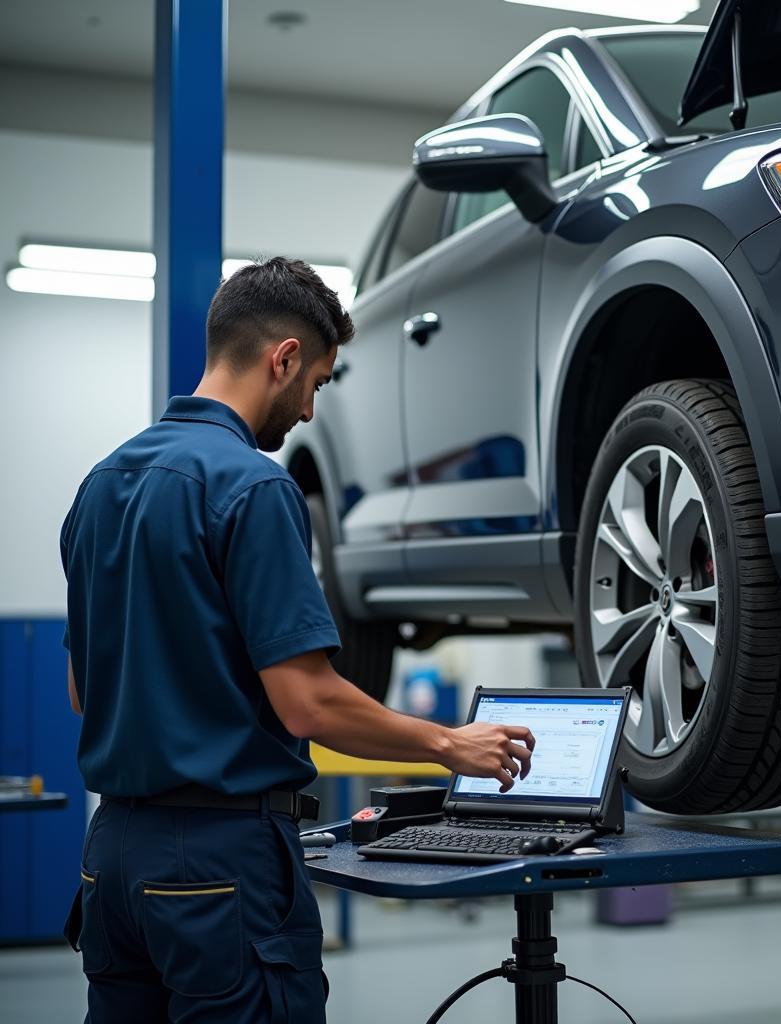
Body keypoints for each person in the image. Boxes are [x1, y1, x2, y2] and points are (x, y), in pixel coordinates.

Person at [59, 257, 535, 1023]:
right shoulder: (251, 486)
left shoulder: (101, 486)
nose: (310, 413)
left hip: (109, 859)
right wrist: (450, 745)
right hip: (218, 865)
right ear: (283, 359)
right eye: (315, 383)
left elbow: (86, 691)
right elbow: (308, 702)